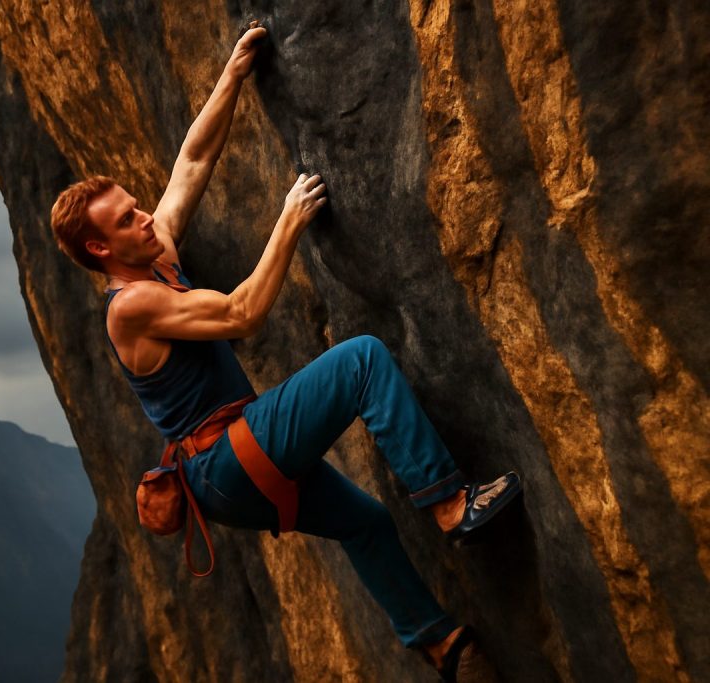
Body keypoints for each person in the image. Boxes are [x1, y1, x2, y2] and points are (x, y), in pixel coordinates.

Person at [48, 20, 518, 682]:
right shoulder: (131, 307)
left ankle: (442, 645)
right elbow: (242, 311)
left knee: (366, 526)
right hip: (225, 461)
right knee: (360, 362)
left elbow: (190, 163)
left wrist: (233, 74)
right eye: (127, 219)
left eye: (135, 205)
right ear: (100, 250)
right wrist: (289, 221)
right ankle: (449, 504)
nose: (146, 216)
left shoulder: (157, 255)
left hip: (231, 468)